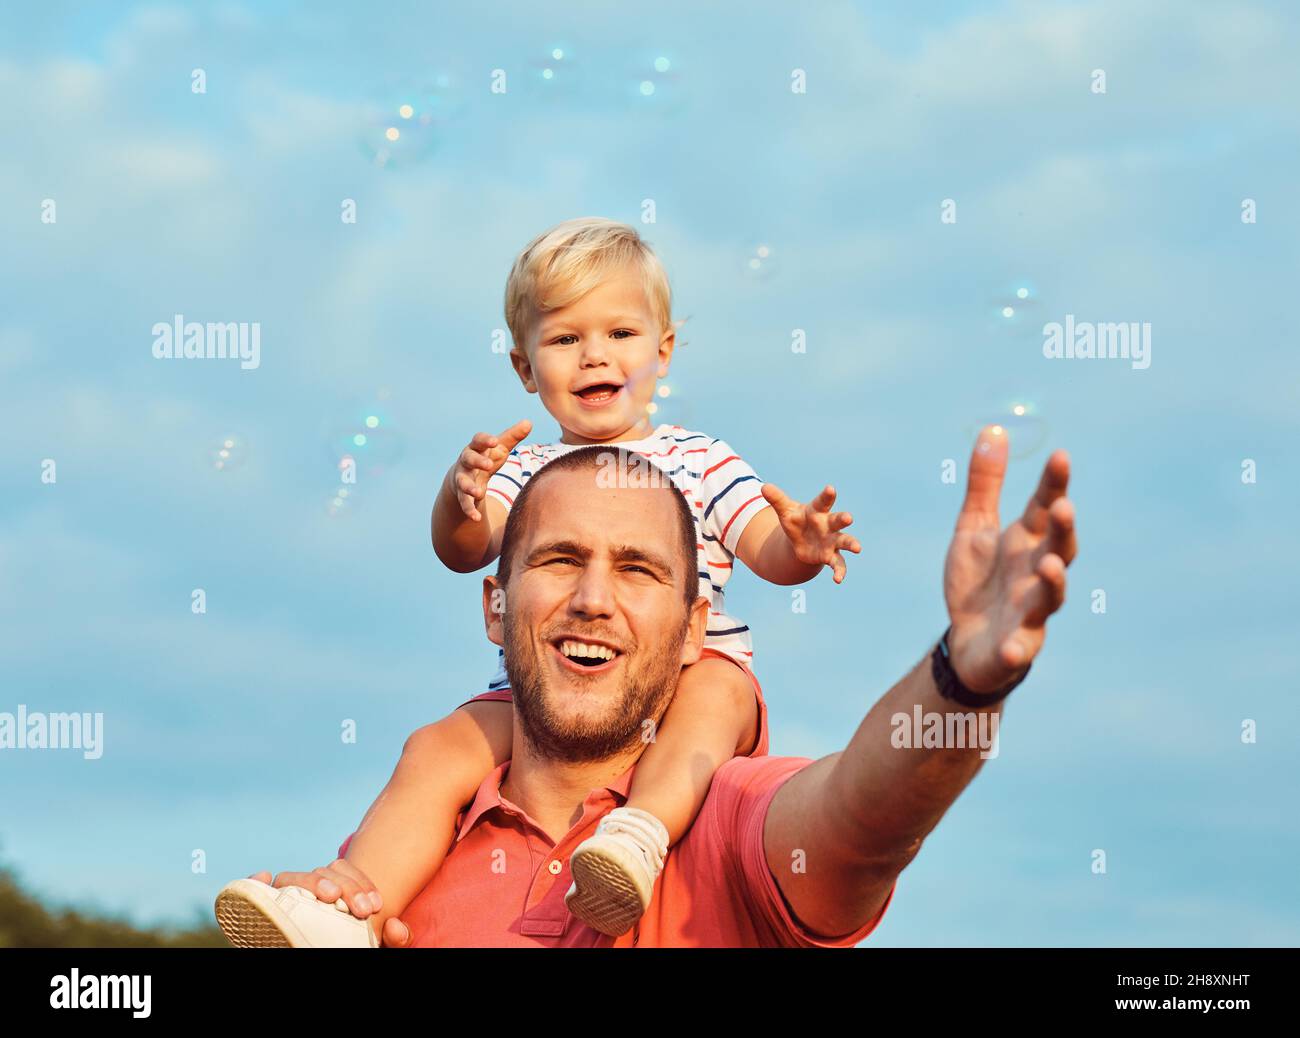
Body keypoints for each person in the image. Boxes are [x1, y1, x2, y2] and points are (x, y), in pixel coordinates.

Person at [215, 217, 862, 944]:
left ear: (664, 350)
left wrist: (803, 546)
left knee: (715, 695)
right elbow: (464, 549)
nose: (594, 356)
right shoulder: (523, 470)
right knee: (437, 747)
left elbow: (765, 546)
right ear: (525, 368)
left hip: (691, 665)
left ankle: (637, 838)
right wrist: (458, 497)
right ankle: (347, 906)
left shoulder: (703, 459)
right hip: (540, 692)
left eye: (621, 334)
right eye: (564, 339)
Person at [226, 422, 1077, 947]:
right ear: (495, 607)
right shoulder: (410, 856)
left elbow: (865, 817)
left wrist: (960, 685)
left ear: (694, 631)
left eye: (637, 571)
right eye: (560, 560)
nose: (593, 600)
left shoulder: (724, 817)